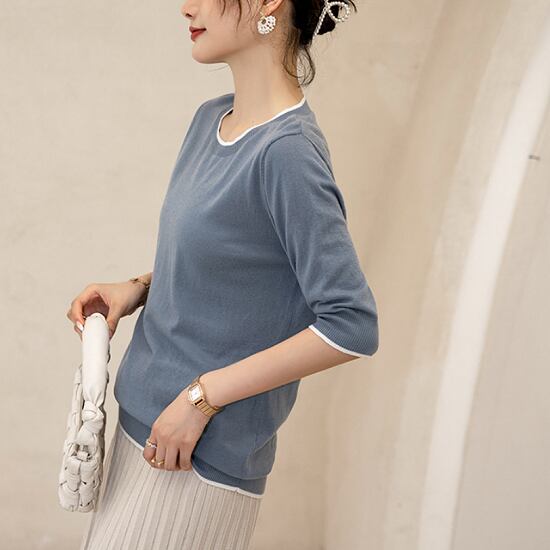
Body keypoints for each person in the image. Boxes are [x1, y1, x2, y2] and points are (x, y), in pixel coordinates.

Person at [68, 0, 378, 548]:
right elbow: (231, 267)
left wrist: (202, 398)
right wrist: (137, 289)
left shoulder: (288, 154)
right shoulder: (210, 119)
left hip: (196, 463)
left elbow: (351, 324)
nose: (187, 7)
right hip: (138, 433)